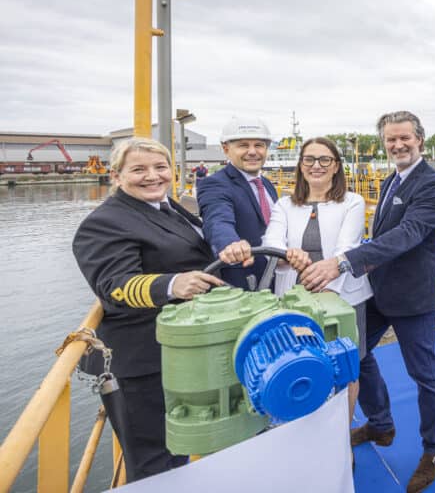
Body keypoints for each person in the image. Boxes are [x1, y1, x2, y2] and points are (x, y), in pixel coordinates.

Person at [301, 111, 435, 493]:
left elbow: (409, 233)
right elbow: (380, 234)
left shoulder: (433, 186)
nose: (398, 145)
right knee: (358, 354)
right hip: (378, 290)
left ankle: (434, 449)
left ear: (420, 139)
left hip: (414, 296)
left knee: (425, 374)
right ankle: (381, 424)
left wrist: (344, 262)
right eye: (390, 140)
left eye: (404, 138)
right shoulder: (390, 180)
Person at [72, 137, 225, 481]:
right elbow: (115, 285)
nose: (152, 176)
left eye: (160, 168)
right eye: (138, 169)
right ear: (116, 176)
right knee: (151, 461)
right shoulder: (105, 222)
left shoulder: (166, 206)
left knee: (176, 448)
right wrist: (172, 284)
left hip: (174, 354)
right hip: (139, 363)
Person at [233, 136, 372, 434]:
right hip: (295, 301)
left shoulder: (352, 202)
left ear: (336, 167)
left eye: (325, 160)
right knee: (298, 367)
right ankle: (304, 434)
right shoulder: (285, 204)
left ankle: (340, 439)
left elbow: (346, 248)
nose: (316, 166)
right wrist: (286, 255)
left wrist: (324, 281)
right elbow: (271, 242)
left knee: (346, 370)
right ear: (301, 166)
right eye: (309, 159)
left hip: (343, 299)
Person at [197, 117, 277, 289]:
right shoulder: (215, 184)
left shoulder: (267, 184)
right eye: (243, 145)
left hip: (276, 277)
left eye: (259, 145)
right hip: (244, 283)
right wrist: (230, 244)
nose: (252, 152)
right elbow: (217, 219)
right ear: (226, 149)